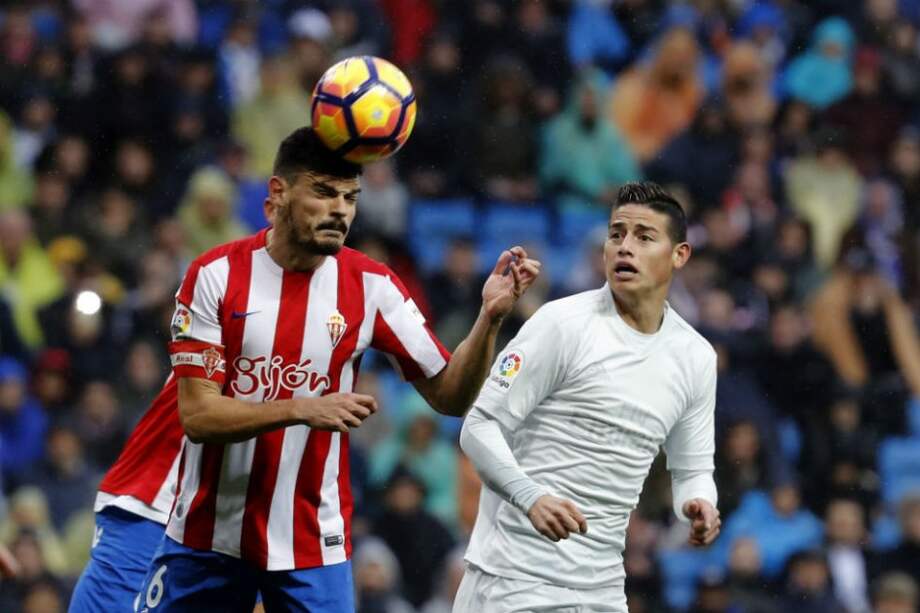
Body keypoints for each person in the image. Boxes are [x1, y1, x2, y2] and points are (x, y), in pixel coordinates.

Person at [69, 127, 540, 612]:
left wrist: (488, 319)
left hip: (311, 541)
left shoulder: (371, 286)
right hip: (189, 521)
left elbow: (450, 397)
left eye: (350, 197)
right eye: (323, 192)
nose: (340, 209)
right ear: (277, 195)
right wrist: (303, 407)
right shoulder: (216, 277)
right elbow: (199, 417)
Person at [454, 181, 720, 613]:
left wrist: (700, 502)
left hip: (601, 590)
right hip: (513, 581)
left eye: (644, 237)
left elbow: (692, 468)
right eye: (616, 234)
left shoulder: (695, 358)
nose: (623, 247)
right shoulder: (562, 324)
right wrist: (531, 497)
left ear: (679, 255)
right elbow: (478, 427)